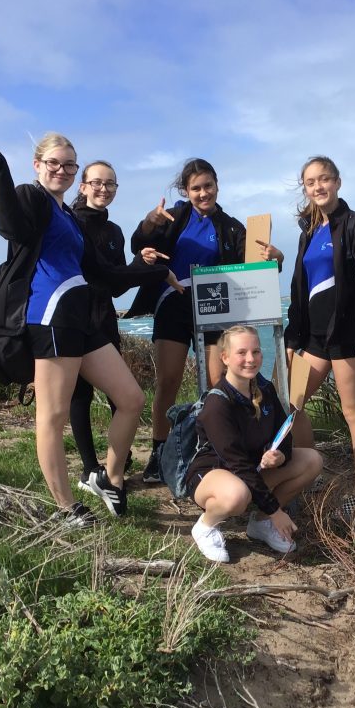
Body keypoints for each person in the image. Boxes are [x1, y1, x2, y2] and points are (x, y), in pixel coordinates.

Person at [0, 134, 179, 526]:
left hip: (82, 321)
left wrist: (159, 272)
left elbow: (108, 277)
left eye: (69, 165)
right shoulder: (32, 198)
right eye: (54, 163)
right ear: (38, 165)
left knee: (130, 398)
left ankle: (109, 478)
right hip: (49, 318)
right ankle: (64, 507)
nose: (61, 170)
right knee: (53, 415)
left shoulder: (71, 220)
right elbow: (10, 224)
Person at [124, 158, 284, 484]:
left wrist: (277, 258)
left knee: (217, 384)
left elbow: (257, 268)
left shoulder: (231, 227)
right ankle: (158, 452)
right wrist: (149, 223)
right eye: (195, 188)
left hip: (216, 309)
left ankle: (216, 450)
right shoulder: (175, 217)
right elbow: (139, 246)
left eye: (207, 186)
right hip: (174, 304)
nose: (202, 193)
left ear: (217, 186)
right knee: (168, 380)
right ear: (186, 190)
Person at [284, 156, 355, 513]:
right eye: (310, 182)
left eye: (324, 179)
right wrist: (293, 337)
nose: (318, 186)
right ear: (304, 189)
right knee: (293, 403)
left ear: (337, 182)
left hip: (348, 332)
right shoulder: (309, 230)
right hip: (315, 337)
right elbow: (300, 288)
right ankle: (313, 471)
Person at [69, 160, 175, 496]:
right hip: (73, 317)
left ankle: (118, 459)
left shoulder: (113, 232)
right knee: (80, 395)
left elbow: (115, 286)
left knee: (120, 394)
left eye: (110, 184)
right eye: (97, 183)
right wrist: (154, 274)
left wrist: (138, 264)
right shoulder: (71, 223)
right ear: (83, 186)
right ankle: (89, 469)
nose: (103, 190)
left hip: (104, 318)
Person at [185, 326, 323, 563]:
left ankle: (260, 523)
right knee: (236, 495)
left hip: (251, 470)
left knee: (312, 460)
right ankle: (206, 526)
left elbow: (285, 433)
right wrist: (276, 511)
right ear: (225, 358)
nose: (250, 359)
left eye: (256, 351)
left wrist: (281, 455)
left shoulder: (265, 389)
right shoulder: (217, 403)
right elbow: (237, 463)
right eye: (241, 353)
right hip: (213, 474)